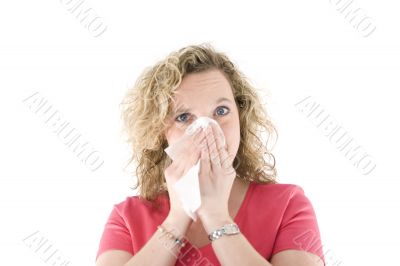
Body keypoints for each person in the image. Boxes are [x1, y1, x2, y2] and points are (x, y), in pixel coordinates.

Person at [95, 43, 325, 266]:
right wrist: (177, 218)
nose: (206, 130)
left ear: (240, 119)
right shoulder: (127, 217)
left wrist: (216, 216)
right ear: (160, 132)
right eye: (184, 117)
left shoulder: (287, 205)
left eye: (221, 111)